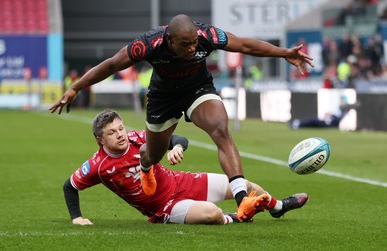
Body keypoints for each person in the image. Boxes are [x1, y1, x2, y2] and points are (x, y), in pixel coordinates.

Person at [51, 14, 313, 222]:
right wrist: (76, 87)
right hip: (163, 99)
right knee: (152, 155)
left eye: (194, 43)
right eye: (185, 44)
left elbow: (244, 44)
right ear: (169, 40)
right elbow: (110, 64)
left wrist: (284, 52)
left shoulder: (206, 35)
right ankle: (145, 167)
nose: (192, 48)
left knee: (220, 129)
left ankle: (243, 198)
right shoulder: (148, 44)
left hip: (197, 89)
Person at [63, 109, 308, 225]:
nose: (120, 135)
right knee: (211, 213)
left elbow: (177, 139)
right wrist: (77, 218)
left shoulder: (138, 137)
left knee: (242, 185)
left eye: (120, 128)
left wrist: (176, 147)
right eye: (112, 133)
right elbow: (70, 186)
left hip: (180, 181)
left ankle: (277, 207)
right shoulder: (99, 166)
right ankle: (236, 218)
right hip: (164, 206)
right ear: (100, 140)